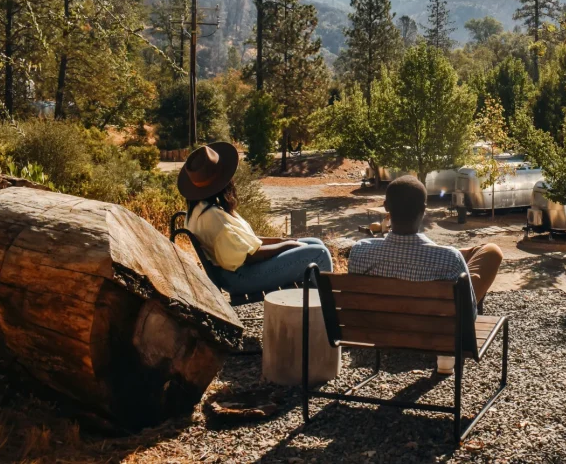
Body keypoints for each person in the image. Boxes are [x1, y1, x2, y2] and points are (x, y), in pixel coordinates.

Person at [348, 175, 503, 374]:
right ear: (424, 208)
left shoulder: (360, 251)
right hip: (438, 333)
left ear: (386, 207)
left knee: (450, 261)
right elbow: (468, 316)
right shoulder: (450, 259)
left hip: (378, 330)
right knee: (491, 251)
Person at [178, 143, 332, 294]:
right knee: (319, 253)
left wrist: (281, 240)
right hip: (242, 277)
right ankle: (328, 310)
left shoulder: (202, 208)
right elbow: (248, 257)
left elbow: (247, 243)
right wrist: (286, 246)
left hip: (239, 271)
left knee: (315, 243)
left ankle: (313, 306)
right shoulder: (213, 217)